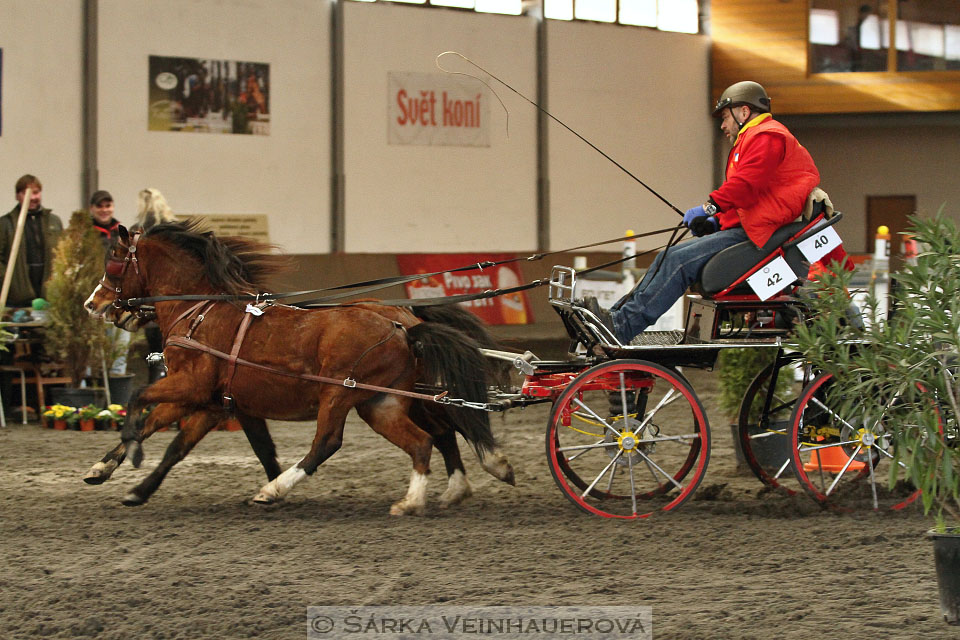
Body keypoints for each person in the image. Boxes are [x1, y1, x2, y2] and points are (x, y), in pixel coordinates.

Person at [584, 81, 821, 344]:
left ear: (743, 112)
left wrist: (710, 207)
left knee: (678, 262)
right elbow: (754, 199)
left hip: (759, 235)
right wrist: (716, 221)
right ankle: (616, 319)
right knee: (668, 255)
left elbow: (746, 186)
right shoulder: (757, 138)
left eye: (725, 117)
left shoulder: (767, 136)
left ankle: (622, 326)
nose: (722, 125)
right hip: (751, 229)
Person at [131, 187, 176, 382]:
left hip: (152, 299)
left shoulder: (139, 231)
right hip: (174, 300)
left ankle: (155, 383)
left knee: (154, 352)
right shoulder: (174, 230)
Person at [0, 174, 64, 308]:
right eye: (26, 193)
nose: (33, 197)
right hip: (17, 299)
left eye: (36, 192)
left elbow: (62, 254)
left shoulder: (54, 221)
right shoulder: (6, 224)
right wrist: (11, 284)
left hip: (48, 295)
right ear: (17, 196)